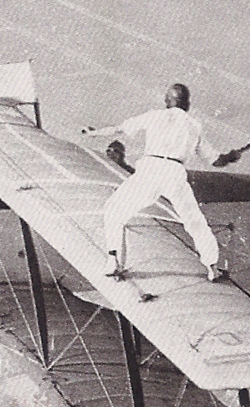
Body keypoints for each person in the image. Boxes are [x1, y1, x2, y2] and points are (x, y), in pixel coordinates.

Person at [83, 84, 240, 282]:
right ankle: (212, 268)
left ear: (167, 101)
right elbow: (216, 160)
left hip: (150, 168)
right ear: (187, 104)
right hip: (175, 172)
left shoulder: (154, 116)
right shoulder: (194, 126)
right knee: (195, 221)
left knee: (114, 210)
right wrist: (231, 156)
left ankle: (113, 261)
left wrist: (93, 133)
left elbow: (120, 129)